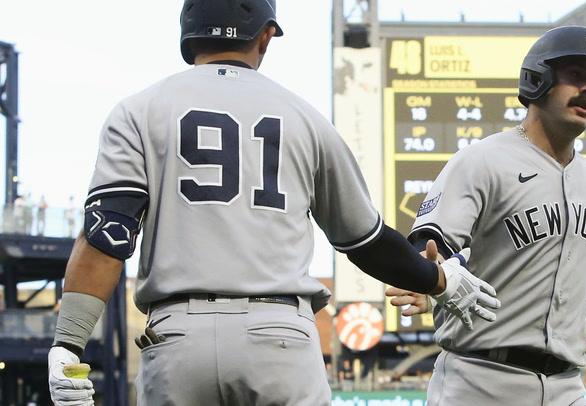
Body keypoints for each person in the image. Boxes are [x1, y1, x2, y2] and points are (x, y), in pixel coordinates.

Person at [46, 1, 498, 405]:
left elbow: (109, 233)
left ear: (188, 32)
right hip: (279, 335)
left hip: (178, 338)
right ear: (265, 35)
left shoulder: (138, 110)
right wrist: (436, 278)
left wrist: (69, 343)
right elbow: (366, 241)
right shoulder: (305, 117)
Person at [386, 26, 586, 406]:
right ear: (538, 79)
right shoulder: (484, 159)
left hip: (567, 385)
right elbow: (431, 242)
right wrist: (425, 277)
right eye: (575, 75)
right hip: (481, 378)